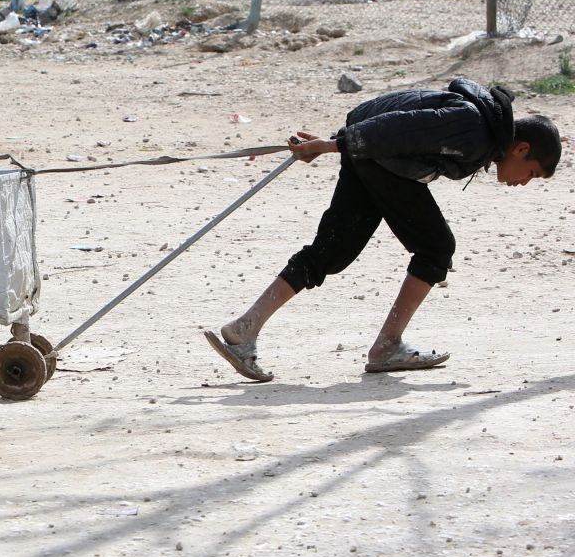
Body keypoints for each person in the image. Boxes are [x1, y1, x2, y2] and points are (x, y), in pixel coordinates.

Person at [205, 78, 562, 382]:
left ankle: (245, 329)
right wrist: (333, 145)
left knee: (332, 250)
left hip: (371, 156)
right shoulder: (474, 128)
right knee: (436, 248)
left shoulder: (479, 125)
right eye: (531, 173)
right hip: (377, 160)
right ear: (521, 148)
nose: (523, 183)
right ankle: (387, 346)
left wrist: (340, 141)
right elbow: (399, 129)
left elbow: (396, 120)